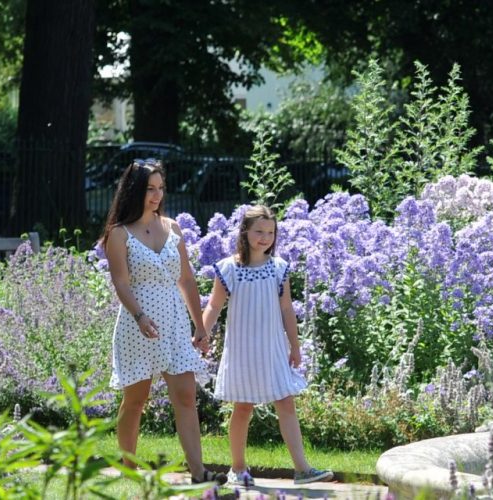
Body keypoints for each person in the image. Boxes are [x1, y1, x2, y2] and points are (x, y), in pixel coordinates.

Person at [98, 159, 221, 484]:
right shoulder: (119, 234)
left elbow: (187, 279)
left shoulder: (173, 228)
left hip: (175, 323)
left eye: (160, 188)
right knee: (135, 400)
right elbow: (121, 283)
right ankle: (128, 469)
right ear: (134, 190)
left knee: (186, 396)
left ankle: (199, 472)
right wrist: (139, 316)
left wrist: (200, 326)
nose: (157, 195)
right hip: (138, 325)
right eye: (150, 189)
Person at [201, 205, 333, 486]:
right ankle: (238, 469)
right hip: (243, 351)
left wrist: (295, 347)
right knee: (243, 407)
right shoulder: (229, 269)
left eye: (270, 232)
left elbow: (287, 310)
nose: (265, 237)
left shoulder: (279, 268)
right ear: (245, 232)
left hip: (273, 349)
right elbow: (214, 305)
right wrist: (202, 333)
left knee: (286, 402)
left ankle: (302, 469)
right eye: (259, 231)